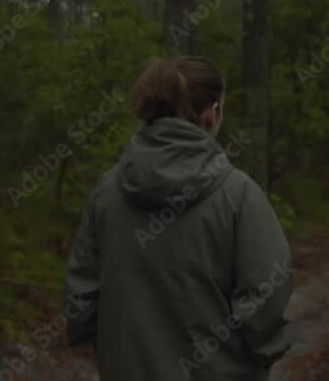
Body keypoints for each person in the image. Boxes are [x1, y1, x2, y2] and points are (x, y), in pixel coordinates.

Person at [64, 56, 294, 380]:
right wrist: (260, 354)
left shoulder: (106, 192)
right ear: (212, 113)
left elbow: (81, 295)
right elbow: (267, 295)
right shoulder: (239, 195)